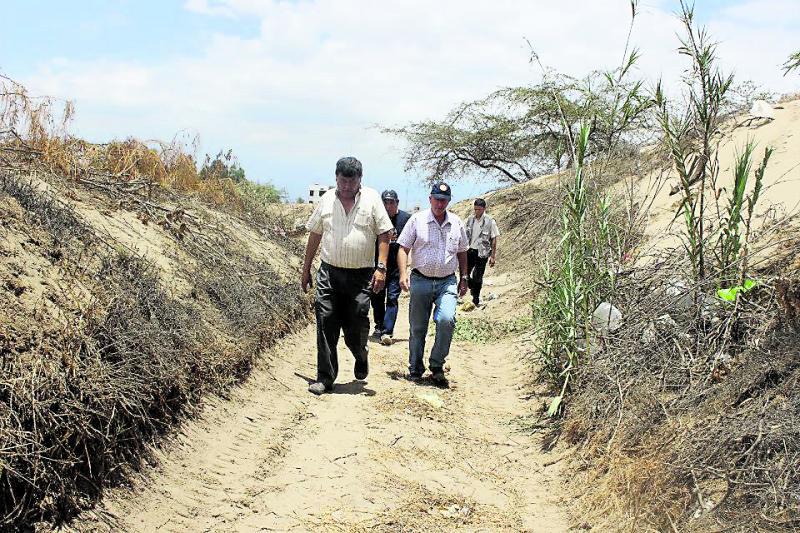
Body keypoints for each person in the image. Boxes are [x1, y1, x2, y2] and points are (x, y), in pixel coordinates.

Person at [301, 157, 393, 395]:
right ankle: (325, 377)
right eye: (342, 181)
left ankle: (360, 353)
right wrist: (306, 268)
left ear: (360, 180)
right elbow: (315, 234)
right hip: (329, 273)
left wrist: (381, 268)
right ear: (336, 178)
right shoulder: (327, 200)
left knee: (356, 327)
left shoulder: (372, 199)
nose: (346, 187)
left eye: (351, 182)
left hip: (361, 277)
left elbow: (385, 234)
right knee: (326, 322)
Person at [396, 182, 469, 387]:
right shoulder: (417, 221)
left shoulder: (456, 223)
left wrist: (464, 277)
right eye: (437, 199)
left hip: (447, 281)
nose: (440, 203)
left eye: (444, 200)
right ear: (430, 199)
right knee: (418, 328)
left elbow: (462, 251)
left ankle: (437, 366)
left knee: (446, 320)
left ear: (448, 201)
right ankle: (415, 368)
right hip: (420, 280)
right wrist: (403, 274)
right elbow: (403, 248)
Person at [370, 190, 411, 346]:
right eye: (385, 203)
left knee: (392, 298)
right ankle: (379, 325)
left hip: (396, 267)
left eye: (391, 202)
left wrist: (405, 270)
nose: (388, 206)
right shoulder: (376, 219)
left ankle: (387, 331)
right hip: (378, 266)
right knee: (376, 297)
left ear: (397, 203)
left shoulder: (406, 219)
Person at [465, 198, 500, 306]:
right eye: (475, 209)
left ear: (484, 209)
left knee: (478, 276)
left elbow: (494, 238)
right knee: (465, 274)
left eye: (479, 209)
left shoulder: (490, 221)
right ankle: (471, 286)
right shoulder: (470, 219)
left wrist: (493, 256)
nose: (477, 212)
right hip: (470, 250)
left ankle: (476, 298)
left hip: (483, 252)